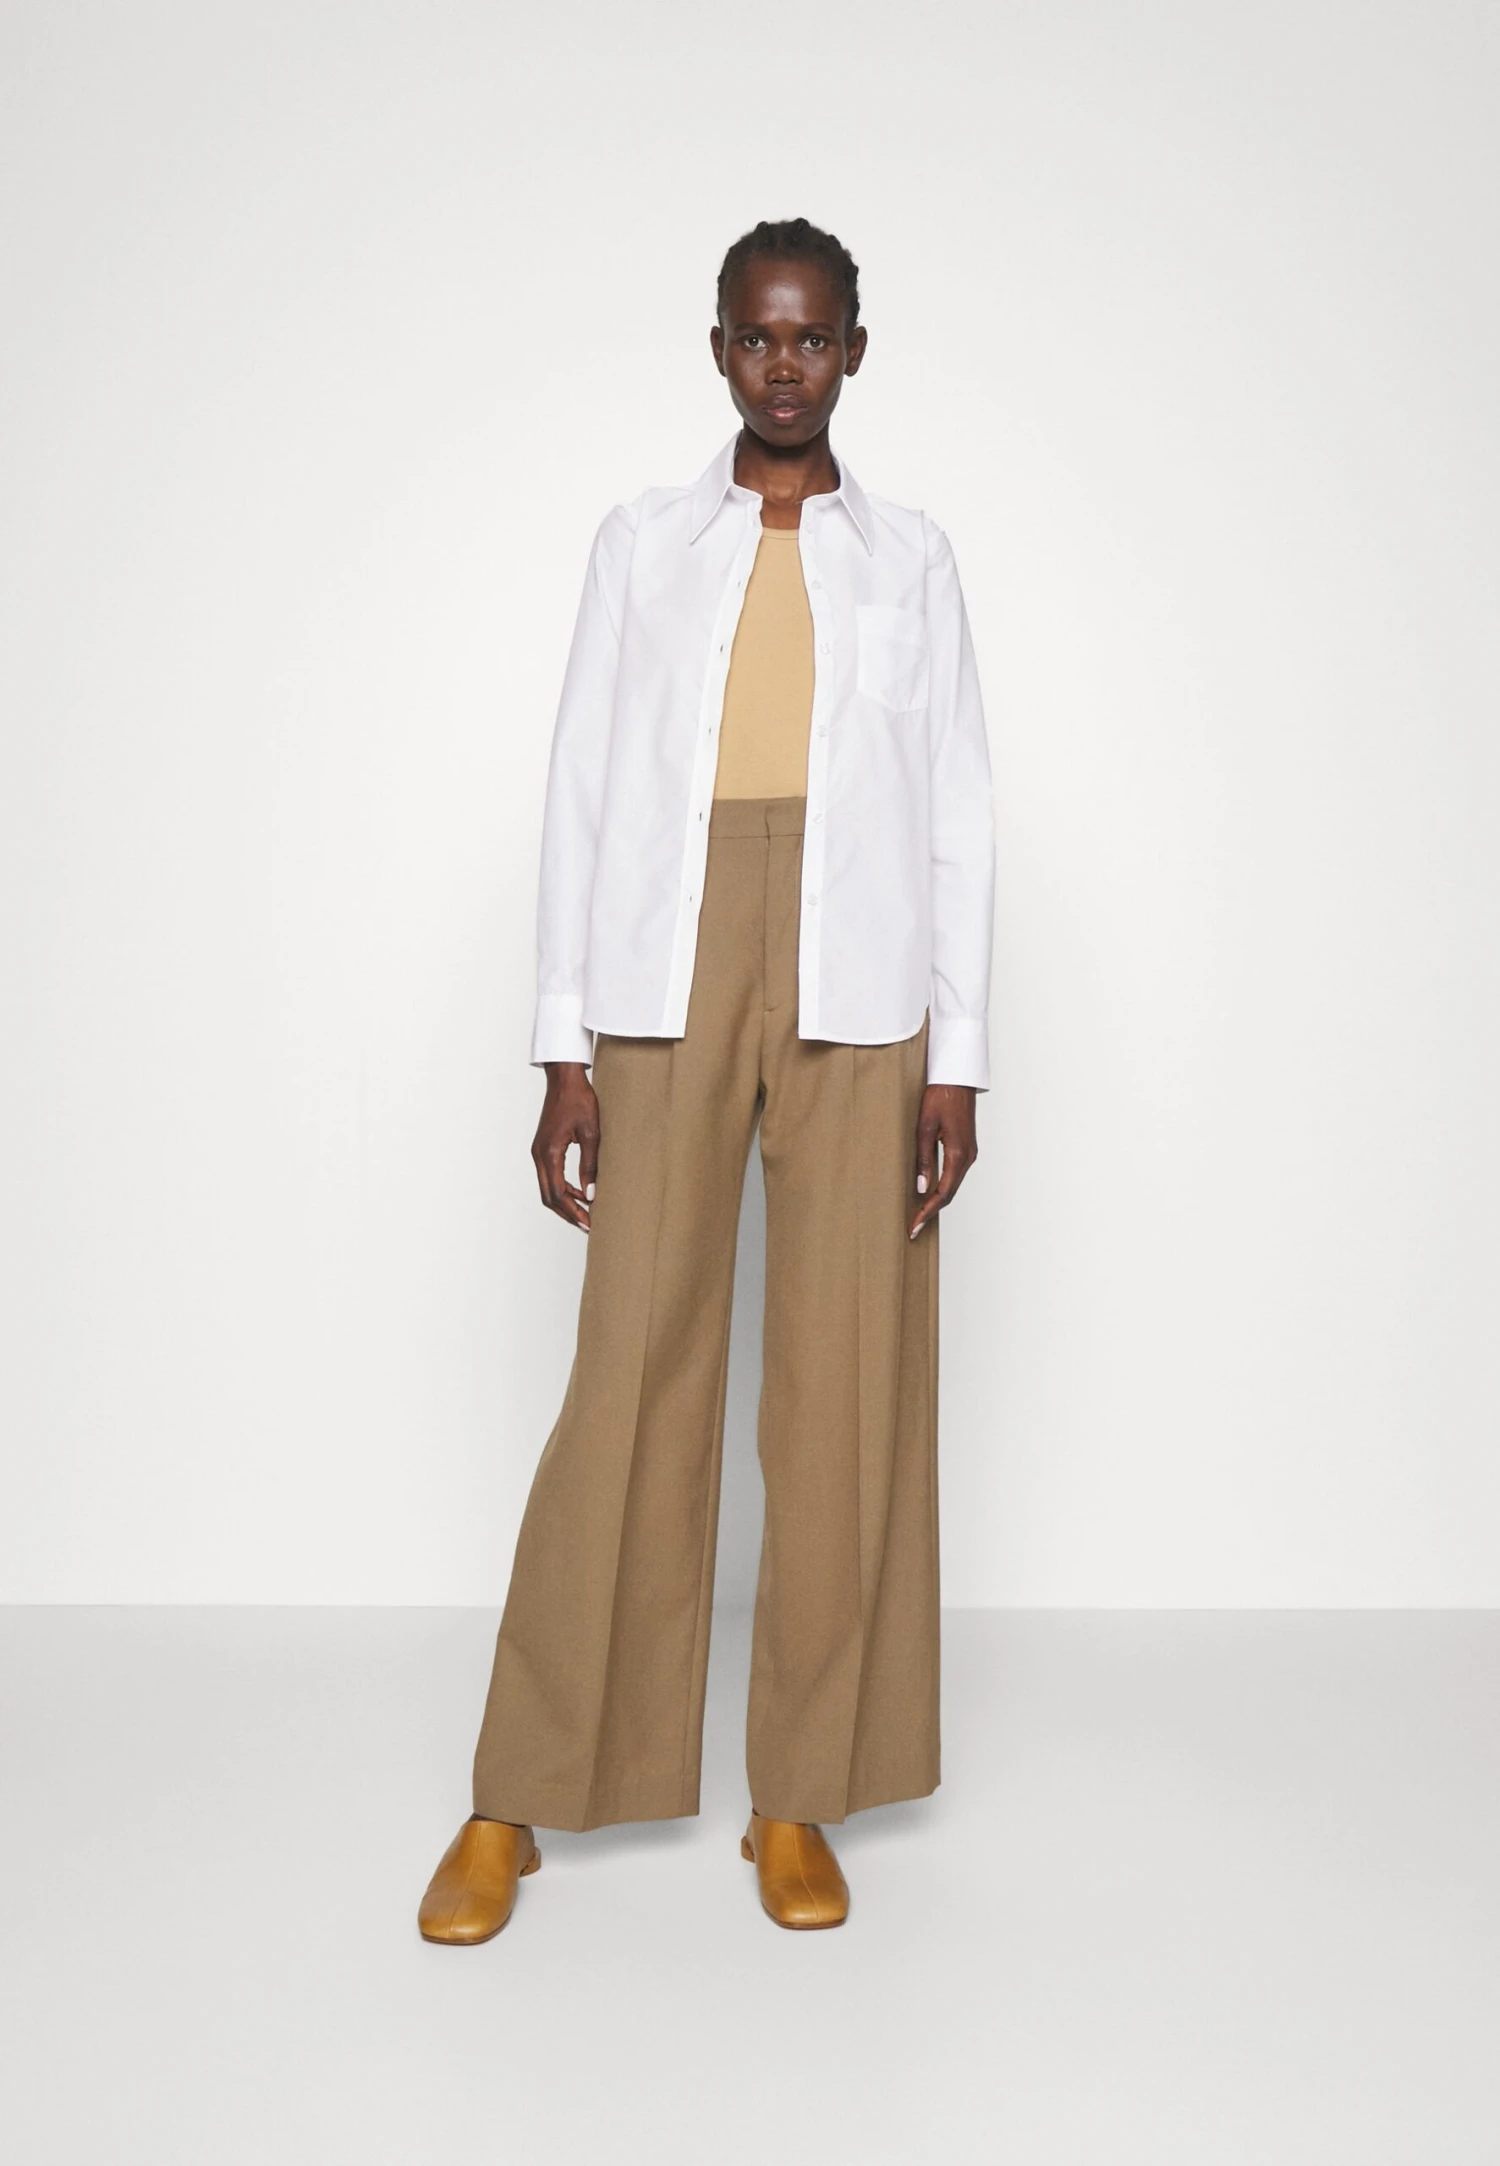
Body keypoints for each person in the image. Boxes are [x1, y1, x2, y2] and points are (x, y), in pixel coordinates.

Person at [417, 216, 995, 1940]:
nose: (785, 365)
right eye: (758, 335)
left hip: (862, 976)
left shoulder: (914, 559)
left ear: (857, 351)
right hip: (665, 968)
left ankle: (798, 1794)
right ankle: (519, 1789)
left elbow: (959, 811)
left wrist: (958, 1060)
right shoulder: (643, 545)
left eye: (813, 337)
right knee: (632, 1370)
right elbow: (583, 781)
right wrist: (561, 1043)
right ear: (720, 347)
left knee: (846, 1386)